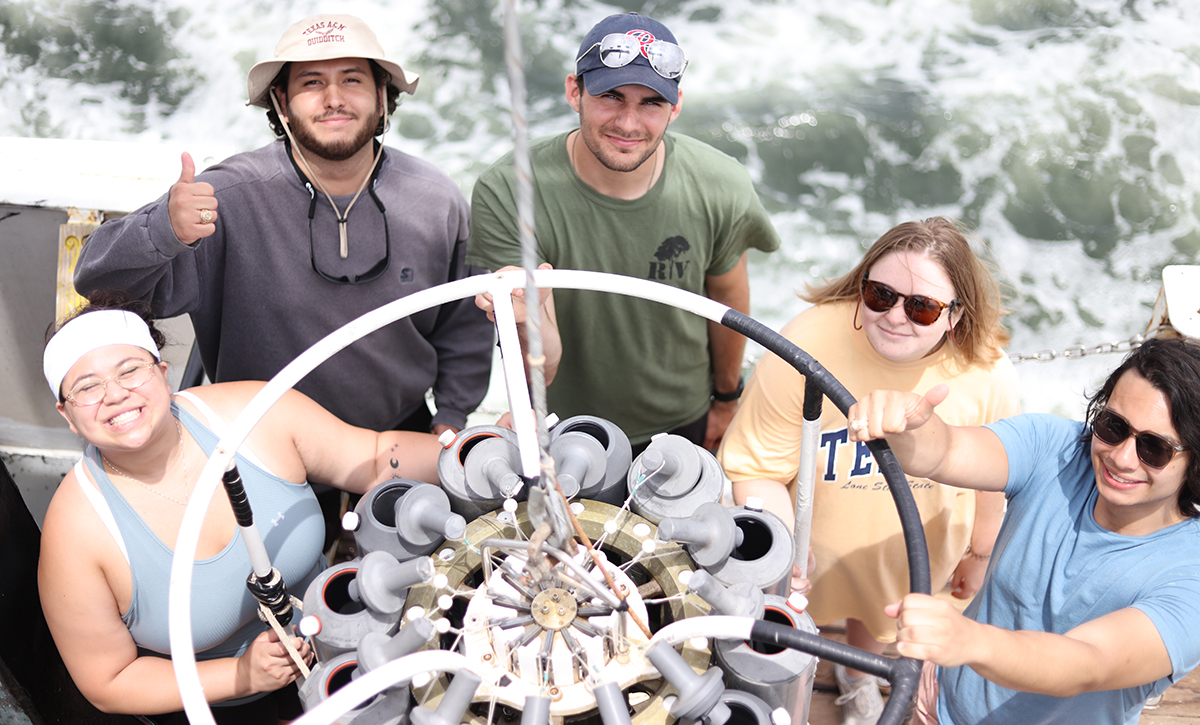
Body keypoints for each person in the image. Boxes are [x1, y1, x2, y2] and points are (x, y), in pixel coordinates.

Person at [73, 13, 492, 438]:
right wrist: (163, 228)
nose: (333, 98)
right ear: (281, 102)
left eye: (352, 80)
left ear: (381, 96)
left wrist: (451, 416)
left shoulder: (436, 198)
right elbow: (98, 283)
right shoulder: (225, 199)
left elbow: (465, 322)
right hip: (264, 445)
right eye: (311, 82)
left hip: (400, 434)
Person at [37, 293, 442, 723]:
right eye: (87, 387)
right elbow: (110, 680)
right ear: (66, 414)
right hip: (221, 709)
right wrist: (241, 675)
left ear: (162, 372)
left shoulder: (250, 415)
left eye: (130, 370)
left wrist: (464, 452)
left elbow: (377, 457)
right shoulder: (75, 532)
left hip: (352, 643)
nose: (115, 394)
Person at [718, 218, 1019, 725]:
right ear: (861, 288)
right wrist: (784, 543)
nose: (897, 317)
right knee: (794, 631)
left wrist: (981, 551)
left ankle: (856, 677)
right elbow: (757, 466)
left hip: (915, 553)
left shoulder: (988, 372)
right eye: (880, 295)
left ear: (955, 315)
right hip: (814, 557)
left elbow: (997, 474)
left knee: (878, 623)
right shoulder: (806, 341)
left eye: (922, 307)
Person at [468, 12, 781, 453]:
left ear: (675, 107)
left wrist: (727, 401)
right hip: (568, 427)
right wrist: (526, 322)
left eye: (650, 102)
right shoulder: (507, 191)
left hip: (684, 420)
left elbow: (728, 299)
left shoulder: (721, 183)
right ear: (574, 91)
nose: (629, 123)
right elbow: (540, 362)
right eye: (611, 96)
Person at [851, 336, 1200, 725]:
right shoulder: (1055, 448)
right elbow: (947, 450)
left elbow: (1087, 663)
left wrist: (969, 641)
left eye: (1154, 448)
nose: (1121, 457)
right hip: (938, 703)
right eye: (1113, 425)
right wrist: (906, 425)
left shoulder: (1191, 577)